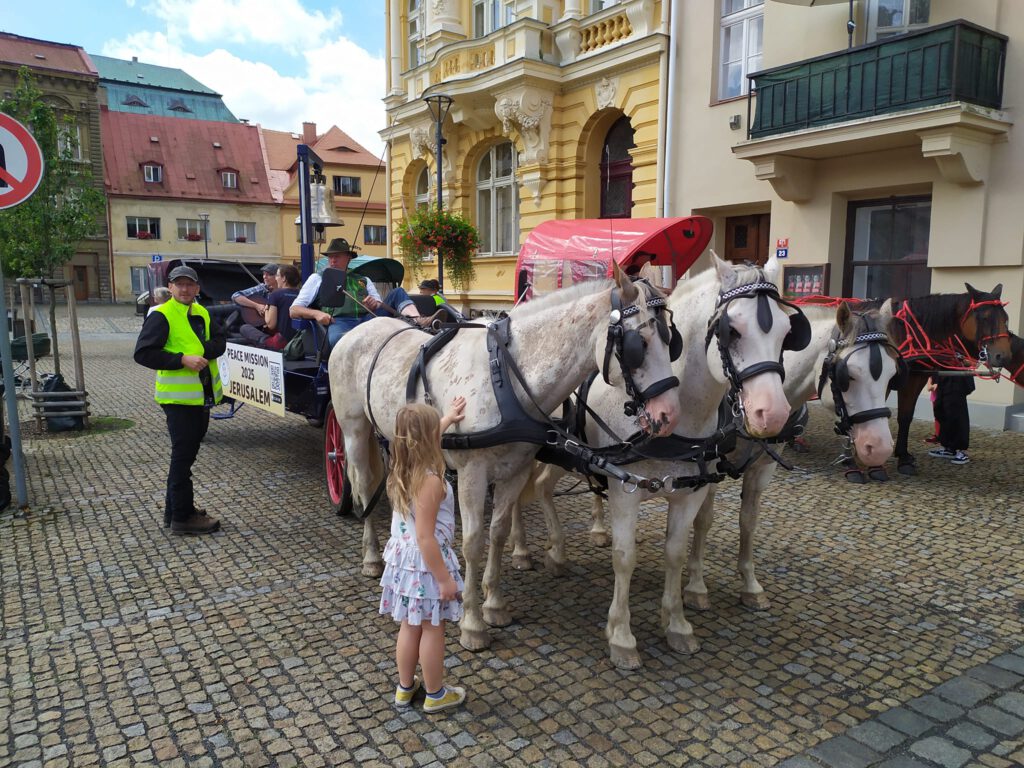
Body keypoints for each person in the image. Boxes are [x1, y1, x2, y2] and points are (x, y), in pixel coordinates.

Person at [380, 398, 468, 714]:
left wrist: (446, 419)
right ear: (427, 438)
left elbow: (424, 437)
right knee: (433, 628)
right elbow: (425, 537)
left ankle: (405, 688)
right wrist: (444, 579)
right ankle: (435, 693)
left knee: (409, 626)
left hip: (404, 564)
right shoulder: (430, 480)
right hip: (427, 568)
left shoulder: (402, 467)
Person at [134, 265, 225, 535]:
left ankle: (175, 511)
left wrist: (206, 350)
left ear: (197, 288)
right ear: (170, 287)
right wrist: (182, 360)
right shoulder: (162, 315)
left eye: (190, 285)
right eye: (179, 284)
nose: (185, 289)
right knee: (182, 459)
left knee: (186, 456)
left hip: (200, 397)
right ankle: (183, 518)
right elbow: (143, 353)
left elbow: (218, 340)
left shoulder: (201, 312)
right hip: (178, 400)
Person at [291, 238, 420, 349]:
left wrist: (373, 304)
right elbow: (293, 310)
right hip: (340, 322)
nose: (332, 260)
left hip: (368, 320)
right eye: (330, 256)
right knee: (337, 340)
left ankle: (418, 322)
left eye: (337, 256)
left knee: (398, 292)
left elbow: (379, 305)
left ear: (348, 258)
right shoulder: (318, 278)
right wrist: (317, 313)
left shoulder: (363, 279)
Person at [239, 264, 301, 350]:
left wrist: (266, 309)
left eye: (278, 275)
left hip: (281, 344)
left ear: (284, 278)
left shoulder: (275, 294)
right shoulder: (301, 294)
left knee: (244, 328)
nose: (276, 278)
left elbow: (271, 324)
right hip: (299, 343)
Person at [928, 374, 975, 465]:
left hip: (957, 379)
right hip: (942, 377)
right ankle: (948, 447)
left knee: (957, 414)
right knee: (941, 411)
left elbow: (973, 361)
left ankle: (961, 451)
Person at [923, 376, 940, 444]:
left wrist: (938, 383)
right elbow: (929, 387)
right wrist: (930, 383)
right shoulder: (934, 372)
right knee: (937, 416)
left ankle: (944, 437)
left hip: (944, 394)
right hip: (935, 394)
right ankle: (938, 436)